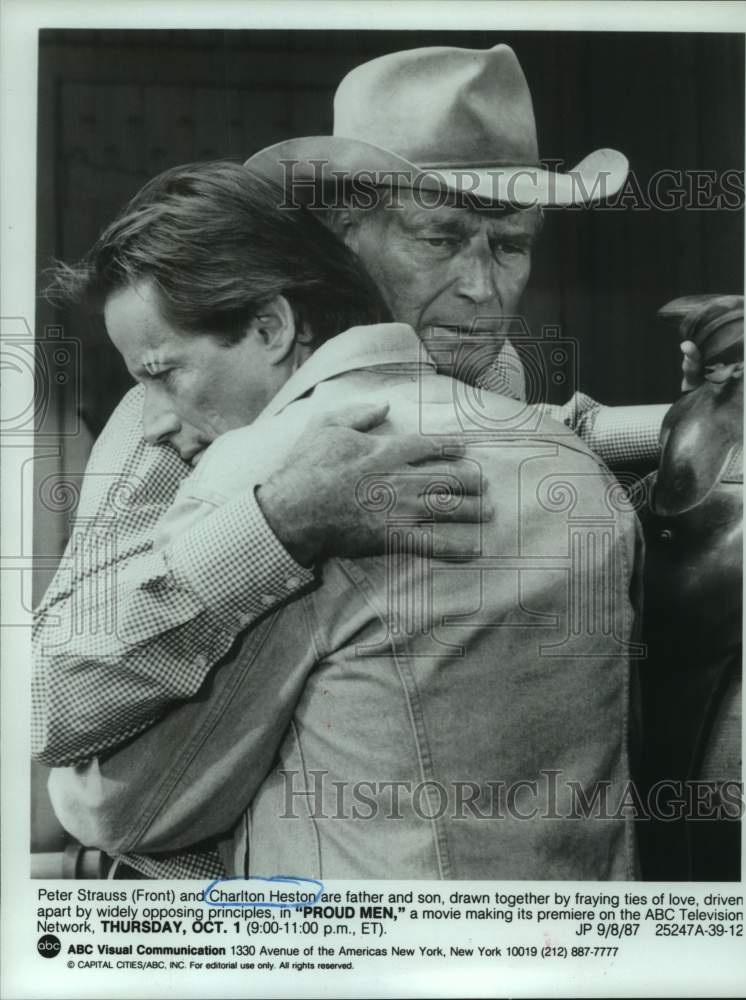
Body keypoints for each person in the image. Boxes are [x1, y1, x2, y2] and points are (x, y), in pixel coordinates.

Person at [46, 159, 641, 881]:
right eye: (438, 236)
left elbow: (127, 806)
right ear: (344, 235)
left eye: (509, 245)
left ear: (272, 324)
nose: (481, 287)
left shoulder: (264, 452)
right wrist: (275, 523)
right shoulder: (560, 457)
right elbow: (58, 685)